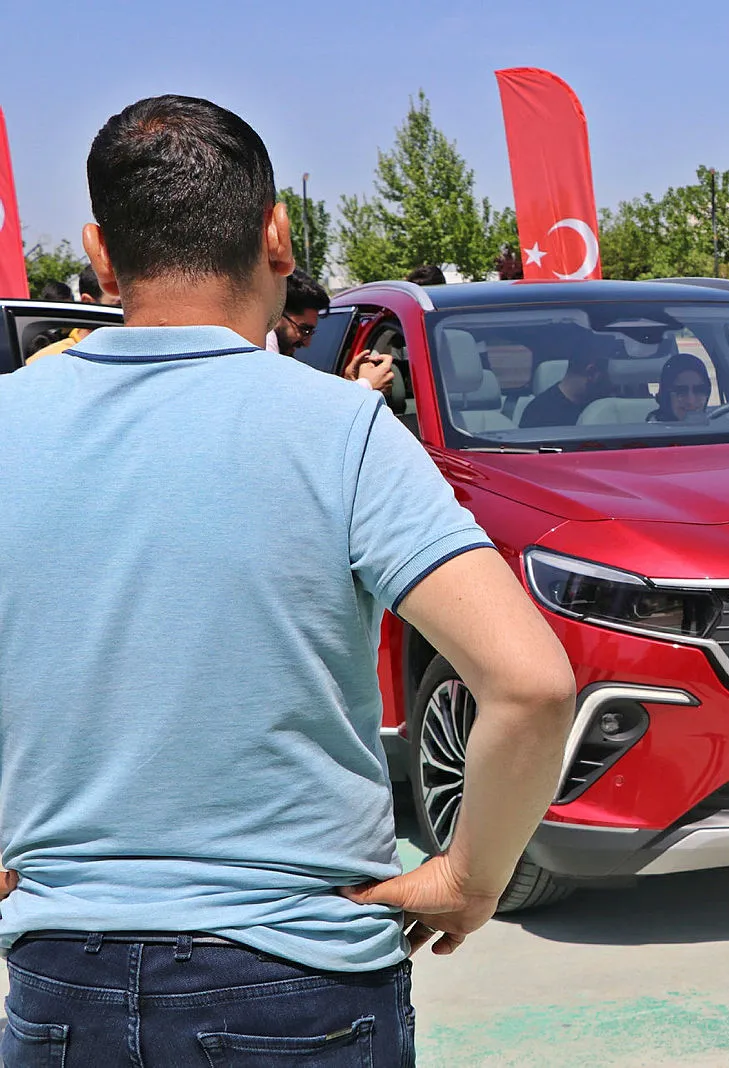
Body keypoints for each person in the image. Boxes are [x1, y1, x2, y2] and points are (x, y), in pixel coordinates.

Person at [0, 94, 575, 1063]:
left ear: (101, 252)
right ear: (277, 234)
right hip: (295, 984)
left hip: (62, 984)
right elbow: (531, 685)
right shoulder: (341, 432)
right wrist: (470, 880)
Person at [24, 267, 123, 363]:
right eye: (120, 305)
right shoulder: (46, 363)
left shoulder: (133, 354)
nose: (132, 315)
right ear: (88, 302)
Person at [519, 344, 610, 427]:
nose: (610, 383)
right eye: (606, 376)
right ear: (591, 372)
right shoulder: (539, 413)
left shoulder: (603, 407)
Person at [267, 267, 327, 356]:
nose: (307, 343)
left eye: (310, 332)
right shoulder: (265, 354)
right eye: (304, 330)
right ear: (277, 314)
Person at [649, 353, 712, 422]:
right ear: (665, 397)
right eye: (681, 391)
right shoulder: (652, 431)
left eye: (699, 390)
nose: (690, 401)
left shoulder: (719, 426)